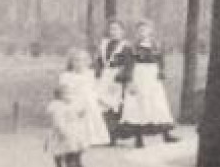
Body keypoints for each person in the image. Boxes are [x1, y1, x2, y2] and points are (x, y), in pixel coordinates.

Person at [117, 19, 181, 147]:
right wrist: (130, 81)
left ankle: (166, 134)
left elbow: (160, 61)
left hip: (152, 77)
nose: (143, 32)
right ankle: (138, 138)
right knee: (138, 105)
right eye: (140, 30)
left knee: (158, 104)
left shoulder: (156, 45)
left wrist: (160, 72)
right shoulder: (130, 47)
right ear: (136, 32)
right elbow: (128, 65)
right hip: (139, 75)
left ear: (150, 31)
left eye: (145, 29)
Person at [59, 48, 110, 154]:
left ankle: (92, 138)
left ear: (87, 62)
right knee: (77, 122)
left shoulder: (90, 74)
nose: (79, 63)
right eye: (76, 60)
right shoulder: (66, 75)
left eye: (82, 60)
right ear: (71, 62)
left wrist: (101, 100)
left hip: (89, 101)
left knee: (91, 118)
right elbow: (63, 91)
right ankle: (77, 140)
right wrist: (68, 102)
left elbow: (94, 89)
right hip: (75, 100)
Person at [94, 19, 129, 145]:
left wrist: (122, 77)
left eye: (116, 29)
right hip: (104, 76)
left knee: (114, 105)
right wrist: (97, 73)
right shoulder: (104, 45)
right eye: (111, 29)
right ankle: (102, 134)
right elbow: (98, 60)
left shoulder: (125, 46)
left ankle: (113, 135)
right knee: (101, 103)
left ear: (122, 31)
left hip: (116, 77)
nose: (113, 32)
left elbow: (128, 64)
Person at [44, 81, 87, 167]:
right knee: (59, 150)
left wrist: (80, 114)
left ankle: (71, 166)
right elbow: (57, 120)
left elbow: (74, 114)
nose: (69, 96)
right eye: (67, 94)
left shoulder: (69, 104)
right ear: (59, 96)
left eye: (70, 93)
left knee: (71, 149)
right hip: (61, 131)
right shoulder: (57, 106)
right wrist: (61, 130)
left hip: (72, 130)